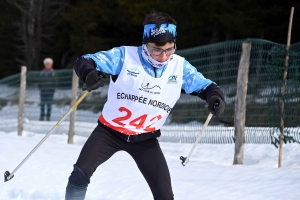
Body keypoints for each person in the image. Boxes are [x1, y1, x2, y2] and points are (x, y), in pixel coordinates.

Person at [65, 11, 225, 200]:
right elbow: (84, 61)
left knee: (165, 195)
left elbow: (207, 86)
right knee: (79, 175)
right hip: (109, 132)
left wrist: (215, 97)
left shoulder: (179, 67)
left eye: (169, 49)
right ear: (145, 44)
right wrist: (89, 74)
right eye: (157, 50)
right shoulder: (125, 56)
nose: (163, 56)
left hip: (145, 139)